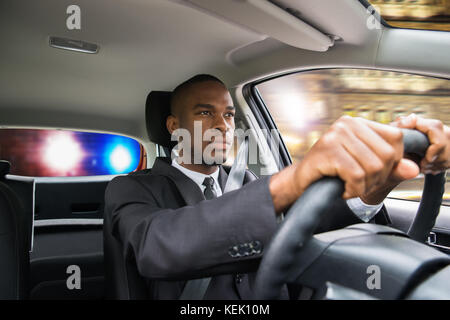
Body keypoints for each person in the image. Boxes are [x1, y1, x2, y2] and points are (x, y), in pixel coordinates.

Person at [104, 74, 450, 299]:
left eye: (228, 115)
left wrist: (373, 188)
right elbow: (156, 247)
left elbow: (307, 227)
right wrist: (298, 176)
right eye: (205, 113)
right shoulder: (131, 188)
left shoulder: (247, 182)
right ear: (173, 125)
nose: (223, 126)